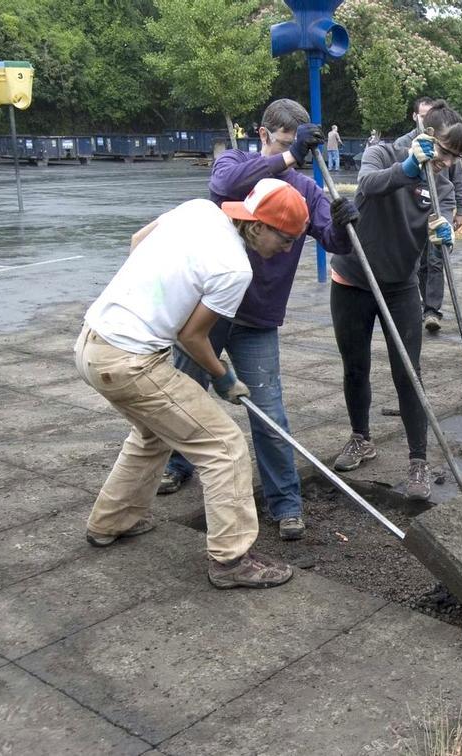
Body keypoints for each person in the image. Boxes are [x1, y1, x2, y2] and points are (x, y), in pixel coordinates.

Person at [77, 178, 308, 588]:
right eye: (285, 239)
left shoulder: (199, 210)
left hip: (92, 344)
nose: (288, 250)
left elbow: (137, 241)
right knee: (224, 446)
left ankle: (110, 522)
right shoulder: (236, 268)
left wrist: (152, 298)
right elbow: (192, 337)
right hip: (131, 361)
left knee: (153, 436)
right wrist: (225, 379)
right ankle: (231, 561)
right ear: (256, 225)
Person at [155, 98, 358, 543]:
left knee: (269, 411)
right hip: (204, 312)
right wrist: (285, 156)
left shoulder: (304, 190)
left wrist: (344, 222)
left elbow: (333, 240)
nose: (296, 156)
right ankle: (175, 464)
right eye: (287, 144)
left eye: (301, 148)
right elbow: (221, 184)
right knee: (184, 394)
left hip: (257, 317)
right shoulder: (236, 166)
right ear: (263, 135)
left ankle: (285, 502)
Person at [328, 102, 462, 501]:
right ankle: (361, 438)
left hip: (400, 285)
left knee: (409, 372)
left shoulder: (440, 183)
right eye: (443, 151)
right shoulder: (383, 153)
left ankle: (419, 460)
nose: (447, 162)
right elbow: (367, 187)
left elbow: (430, 226)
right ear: (424, 136)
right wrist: (408, 167)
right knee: (355, 366)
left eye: (455, 157)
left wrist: (443, 237)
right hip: (354, 278)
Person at [394, 97, 462, 332]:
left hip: (437, 208)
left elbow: (456, 179)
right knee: (414, 263)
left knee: (436, 260)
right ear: (415, 117)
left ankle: (432, 310)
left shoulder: (448, 148)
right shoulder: (400, 145)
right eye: (422, 116)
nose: (446, 161)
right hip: (411, 214)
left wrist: (459, 209)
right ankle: (414, 305)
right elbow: (374, 183)